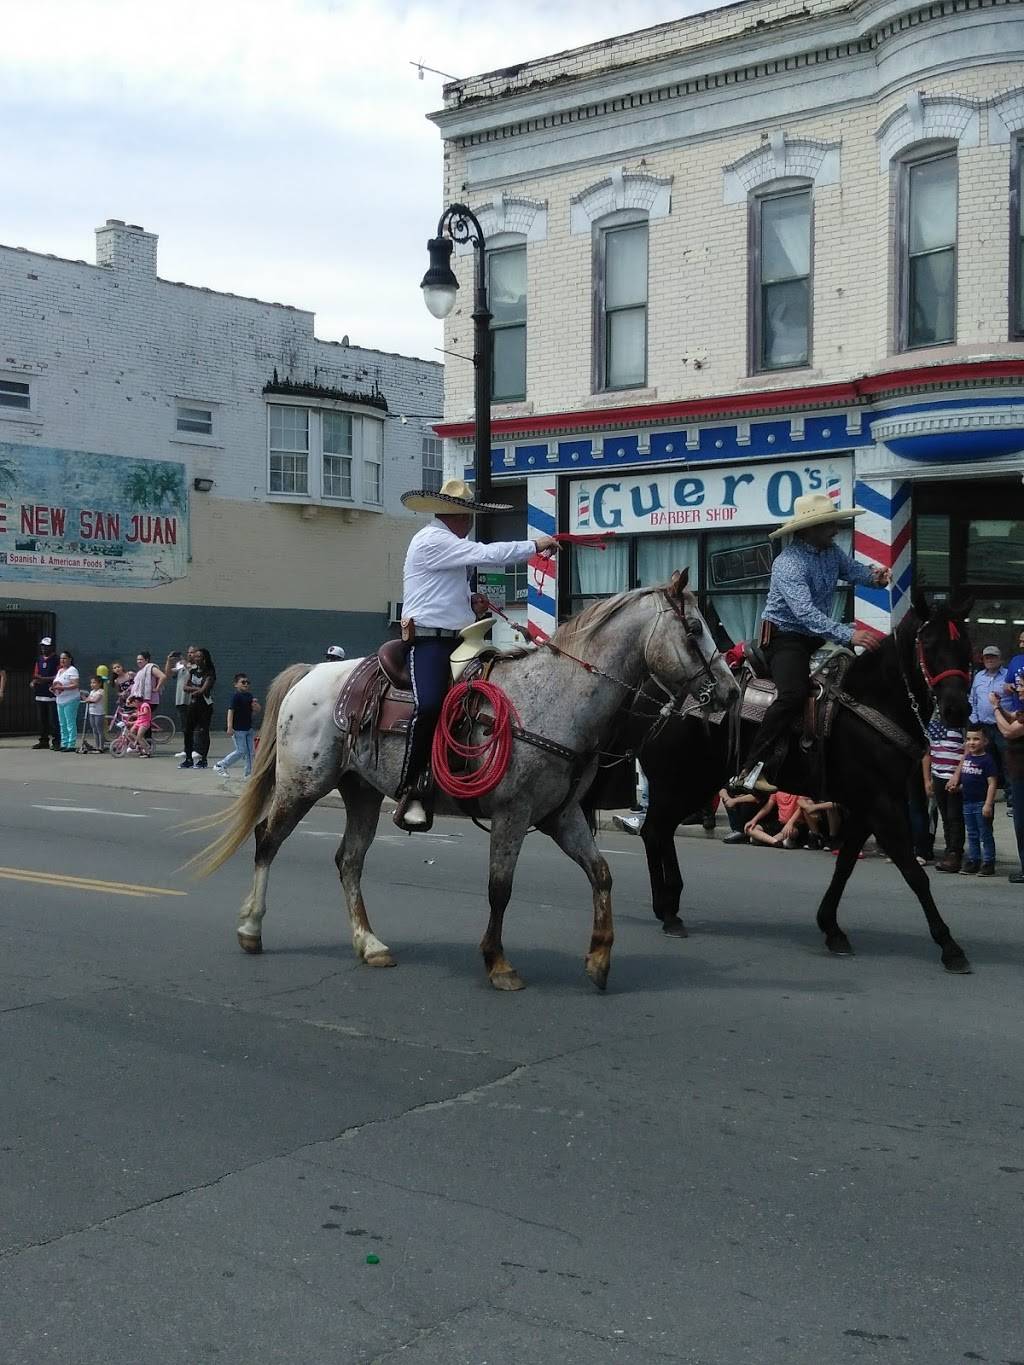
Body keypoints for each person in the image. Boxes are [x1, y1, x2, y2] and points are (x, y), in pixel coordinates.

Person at [396, 477, 557, 829]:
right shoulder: (433, 540)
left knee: (494, 692)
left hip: (460, 637)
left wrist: (470, 601)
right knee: (430, 705)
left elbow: (442, 589)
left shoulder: (449, 543)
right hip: (429, 641)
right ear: (457, 514)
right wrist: (535, 545)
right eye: (467, 514)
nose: (469, 522)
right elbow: (488, 553)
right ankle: (411, 788)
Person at [732, 494, 890, 794]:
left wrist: (875, 577)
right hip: (785, 637)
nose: (835, 528)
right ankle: (750, 767)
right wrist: (848, 634)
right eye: (828, 524)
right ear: (808, 529)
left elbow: (854, 571)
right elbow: (804, 613)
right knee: (793, 694)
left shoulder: (831, 552)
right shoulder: (788, 563)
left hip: (815, 635)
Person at [949, 726, 997, 876]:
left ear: (985, 741)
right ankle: (973, 860)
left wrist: (988, 803)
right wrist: (958, 788)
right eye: (968, 739)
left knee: (985, 833)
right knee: (972, 833)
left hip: (981, 803)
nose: (971, 742)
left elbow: (992, 783)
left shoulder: (987, 760)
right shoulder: (967, 759)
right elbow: (970, 781)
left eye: (976, 739)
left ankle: (988, 862)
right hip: (967, 802)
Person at [991, 678, 1024, 884]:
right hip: (1018, 774)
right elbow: (1012, 719)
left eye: (1022, 686)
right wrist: (1001, 707)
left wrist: (995, 708)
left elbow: (1008, 731)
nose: (1017, 688)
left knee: (1022, 823)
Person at [924, 714, 965, 873]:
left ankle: (955, 853)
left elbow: (967, 750)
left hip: (954, 776)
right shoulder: (933, 722)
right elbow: (928, 752)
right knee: (945, 816)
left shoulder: (961, 722)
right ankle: (949, 850)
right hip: (938, 775)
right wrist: (928, 779)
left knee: (955, 816)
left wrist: (957, 775)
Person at [969, 645, 1008, 799]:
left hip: (1003, 726)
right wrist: (974, 721)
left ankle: (1011, 797)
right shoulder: (978, 676)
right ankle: (984, 794)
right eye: (987, 657)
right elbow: (972, 699)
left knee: (1007, 761)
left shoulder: (1007, 676)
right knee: (984, 761)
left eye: (993, 657)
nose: (990, 659)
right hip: (983, 726)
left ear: (1000, 659)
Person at [213, 673, 261, 778]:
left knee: (250, 753)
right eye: (243, 682)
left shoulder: (249, 696)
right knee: (241, 751)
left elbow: (256, 710)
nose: (246, 684)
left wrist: (256, 706)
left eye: (247, 682)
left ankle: (248, 774)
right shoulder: (236, 697)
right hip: (238, 730)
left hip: (248, 729)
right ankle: (221, 765)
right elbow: (231, 711)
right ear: (236, 684)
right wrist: (230, 726)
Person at [180, 646, 216, 769]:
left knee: (203, 731)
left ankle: (203, 760)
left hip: (205, 706)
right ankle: (188, 759)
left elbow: (204, 690)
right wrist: (196, 689)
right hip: (193, 704)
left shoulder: (209, 672)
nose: (196, 658)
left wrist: (197, 690)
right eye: (195, 656)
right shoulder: (193, 671)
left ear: (204, 659)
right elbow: (185, 687)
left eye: (199, 656)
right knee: (187, 731)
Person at [30, 637, 60, 750]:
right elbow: (36, 674)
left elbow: (58, 675)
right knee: (42, 720)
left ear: (51, 647)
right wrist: (34, 681)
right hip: (40, 693)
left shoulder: (56, 659)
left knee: (54, 720)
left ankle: (57, 741)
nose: (44, 648)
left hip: (52, 694)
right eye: (42, 646)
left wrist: (45, 679)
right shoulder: (39, 659)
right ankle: (43, 740)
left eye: (46, 646)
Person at [50, 650, 81, 752]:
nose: (62, 660)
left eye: (64, 658)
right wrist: (54, 688)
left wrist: (63, 687)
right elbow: (56, 684)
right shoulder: (59, 671)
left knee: (70, 722)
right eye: (61, 658)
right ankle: (64, 743)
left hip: (70, 699)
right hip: (60, 700)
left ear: (70, 659)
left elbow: (75, 684)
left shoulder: (72, 670)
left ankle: (71, 744)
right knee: (62, 723)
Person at [165, 649, 191, 756]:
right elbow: (168, 673)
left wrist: (186, 664)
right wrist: (169, 660)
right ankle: (187, 749)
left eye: (192, 653)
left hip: (191, 700)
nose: (190, 654)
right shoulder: (180, 665)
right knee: (185, 726)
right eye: (188, 652)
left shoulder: (196, 666)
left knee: (193, 726)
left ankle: (195, 749)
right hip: (180, 699)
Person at [80, 676, 107, 753]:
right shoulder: (92, 692)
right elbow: (87, 700)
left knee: (99, 730)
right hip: (91, 712)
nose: (92, 684)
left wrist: (87, 699)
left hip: (99, 713)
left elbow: (95, 700)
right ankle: (97, 746)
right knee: (94, 730)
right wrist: (83, 697)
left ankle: (101, 747)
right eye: (91, 683)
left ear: (99, 683)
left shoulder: (101, 691)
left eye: (94, 682)